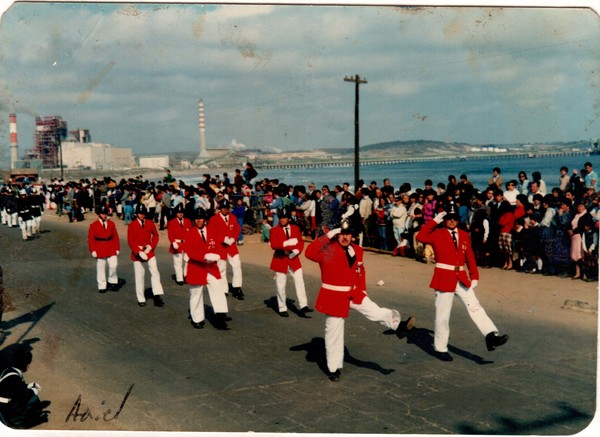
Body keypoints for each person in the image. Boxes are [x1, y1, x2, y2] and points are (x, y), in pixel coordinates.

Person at [305, 219, 415, 381]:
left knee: (374, 311)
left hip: (354, 293)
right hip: (334, 296)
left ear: (353, 236)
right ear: (337, 234)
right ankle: (333, 369)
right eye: (342, 234)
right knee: (334, 333)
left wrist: (362, 289)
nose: (345, 237)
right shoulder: (328, 249)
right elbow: (309, 253)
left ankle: (398, 325)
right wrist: (328, 235)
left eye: (348, 234)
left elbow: (360, 270)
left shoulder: (357, 250)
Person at [416, 204, 509, 362]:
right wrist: (434, 220)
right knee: (443, 315)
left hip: (461, 276)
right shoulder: (437, 233)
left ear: (458, 220)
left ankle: (491, 335)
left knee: (475, 306)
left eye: (455, 219)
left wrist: (474, 274)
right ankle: (440, 348)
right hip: (444, 276)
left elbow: (469, 255)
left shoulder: (464, 234)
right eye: (449, 219)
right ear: (444, 221)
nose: (452, 221)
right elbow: (420, 236)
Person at [182, 208, 230, 330]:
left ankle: (220, 315)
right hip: (196, 267)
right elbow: (190, 251)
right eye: (196, 219)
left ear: (205, 220)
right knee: (196, 293)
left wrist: (218, 255)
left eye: (201, 218)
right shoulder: (190, 233)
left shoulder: (212, 231)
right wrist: (204, 256)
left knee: (217, 289)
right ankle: (197, 318)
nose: (198, 221)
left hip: (211, 267)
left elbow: (218, 245)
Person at [269, 207, 313, 317]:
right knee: (281, 285)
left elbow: (300, 242)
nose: (282, 220)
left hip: (294, 259)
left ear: (289, 218)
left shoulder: (295, 228)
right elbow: (274, 245)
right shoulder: (274, 230)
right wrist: (287, 243)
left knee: (300, 281)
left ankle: (303, 306)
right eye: (280, 218)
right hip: (280, 259)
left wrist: (296, 251)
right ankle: (282, 307)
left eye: (284, 218)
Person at [0, 343, 49, 428]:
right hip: (5, 412)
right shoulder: (14, 378)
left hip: (3, 404)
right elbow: (20, 397)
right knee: (33, 399)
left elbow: (17, 389)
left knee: (30, 396)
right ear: (27, 365)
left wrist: (28, 386)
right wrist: (33, 391)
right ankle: (17, 423)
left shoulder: (9, 370)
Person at [127, 203, 165, 307]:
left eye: (143, 213)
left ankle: (157, 295)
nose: (142, 215)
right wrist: (138, 252)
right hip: (138, 253)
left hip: (149, 251)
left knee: (155, 272)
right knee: (139, 276)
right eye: (140, 213)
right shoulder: (132, 225)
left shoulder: (150, 223)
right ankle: (141, 298)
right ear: (136, 214)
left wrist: (151, 246)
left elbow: (156, 236)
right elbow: (130, 241)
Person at [209, 198, 245, 300]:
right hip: (220, 247)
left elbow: (237, 229)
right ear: (220, 208)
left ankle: (237, 287)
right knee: (222, 269)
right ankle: (223, 289)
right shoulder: (214, 219)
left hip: (231, 247)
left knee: (237, 265)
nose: (225, 210)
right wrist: (223, 239)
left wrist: (233, 238)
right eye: (223, 208)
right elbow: (212, 233)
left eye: (227, 208)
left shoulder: (232, 217)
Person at [87, 205, 123, 293]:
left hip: (110, 246)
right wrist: (93, 250)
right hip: (99, 247)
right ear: (99, 214)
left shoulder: (111, 224)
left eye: (105, 214)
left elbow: (116, 237)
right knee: (101, 267)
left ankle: (113, 281)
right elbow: (91, 239)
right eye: (103, 214)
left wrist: (117, 248)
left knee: (113, 265)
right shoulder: (93, 225)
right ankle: (102, 285)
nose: (104, 215)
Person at [167, 203, 192, 285]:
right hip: (177, 244)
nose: (180, 214)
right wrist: (173, 242)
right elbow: (170, 233)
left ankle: (186, 275)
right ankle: (179, 278)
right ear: (176, 213)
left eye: (182, 212)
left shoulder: (188, 221)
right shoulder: (172, 222)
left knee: (187, 261)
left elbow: (191, 232)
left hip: (186, 244)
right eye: (178, 212)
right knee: (178, 262)